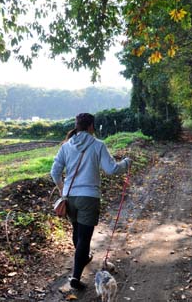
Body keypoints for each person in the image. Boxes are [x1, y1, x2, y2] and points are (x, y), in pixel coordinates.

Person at [50, 113, 131, 290]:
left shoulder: (66, 146)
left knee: (77, 231)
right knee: (84, 238)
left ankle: (84, 258)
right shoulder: (98, 145)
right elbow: (111, 169)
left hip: (70, 197)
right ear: (91, 126)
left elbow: (54, 172)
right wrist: (125, 163)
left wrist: (63, 189)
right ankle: (76, 277)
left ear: (77, 126)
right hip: (89, 197)